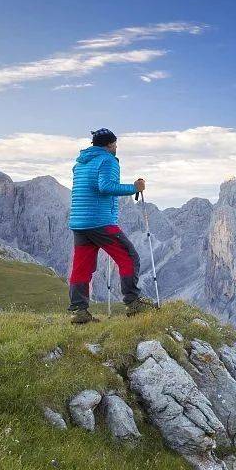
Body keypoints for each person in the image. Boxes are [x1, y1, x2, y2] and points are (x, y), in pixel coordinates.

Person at [67, 128, 158, 324]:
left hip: (80, 223)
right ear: (109, 145)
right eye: (115, 144)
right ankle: (133, 304)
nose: (116, 147)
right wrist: (134, 188)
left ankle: (78, 311)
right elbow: (105, 186)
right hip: (100, 221)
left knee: (81, 267)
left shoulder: (80, 164)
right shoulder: (107, 160)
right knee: (129, 257)